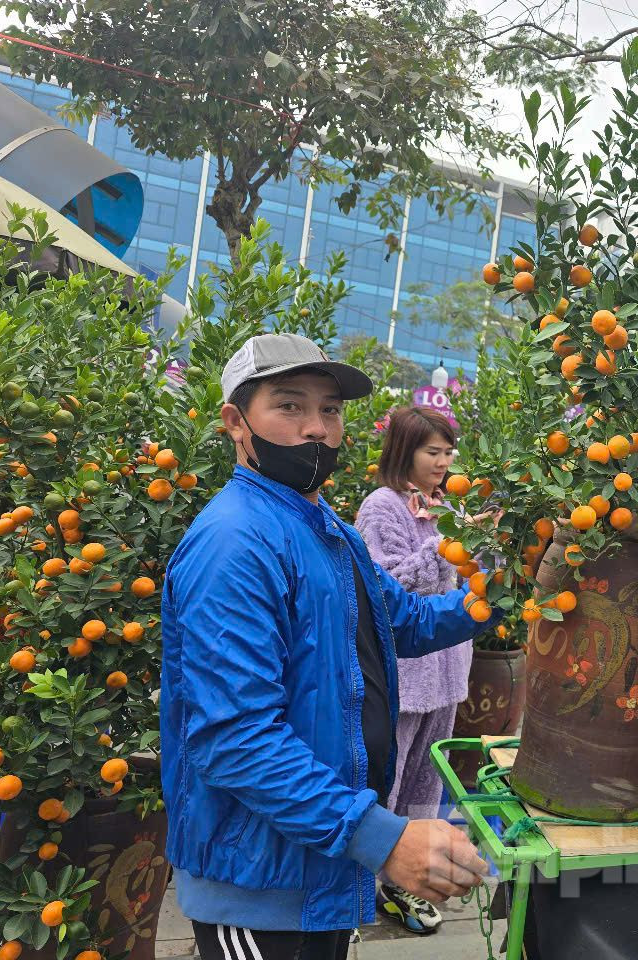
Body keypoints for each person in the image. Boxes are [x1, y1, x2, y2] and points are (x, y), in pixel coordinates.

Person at [161, 333, 489, 960]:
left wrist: (505, 592)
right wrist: (384, 839)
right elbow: (235, 739)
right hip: (258, 881)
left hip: (320, 864)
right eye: (290, 406)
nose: (316, 427)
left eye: (330, 410)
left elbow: (407, 622)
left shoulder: (327, 529)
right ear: (236, 421)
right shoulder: (236, 544)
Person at [354, 407, 472, 934]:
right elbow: (387, 590)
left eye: (448, 453)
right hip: (404, 677)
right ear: (404, 451)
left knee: (427, 783)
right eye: (433, 452)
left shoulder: (446, 502)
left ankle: (405, 884)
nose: (443, 463)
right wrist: (440, 540)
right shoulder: (380, 508)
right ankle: (354, 888)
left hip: (445, 674)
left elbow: (467, 576)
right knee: (385, 782)